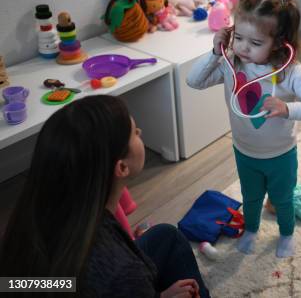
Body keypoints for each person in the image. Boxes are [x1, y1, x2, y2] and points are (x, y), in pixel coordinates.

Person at [0, 95, 209, 297]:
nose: (140, 131)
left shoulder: (37, 214)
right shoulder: (122, 273)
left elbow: (26, 285)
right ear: (122, 167)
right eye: (134, 133)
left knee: (166, 236)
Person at [187, 0, 301, 258]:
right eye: (238, 37)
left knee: (282, 199)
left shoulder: (289, 72)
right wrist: (215, 52)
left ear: (278, 43)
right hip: (244, 151)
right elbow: (194, 81)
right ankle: (251, 229)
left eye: (255, 43)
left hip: (280, 155)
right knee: (250, 198)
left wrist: (287, 109)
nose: (243, 47)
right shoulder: (231, 63)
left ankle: (286, 235)